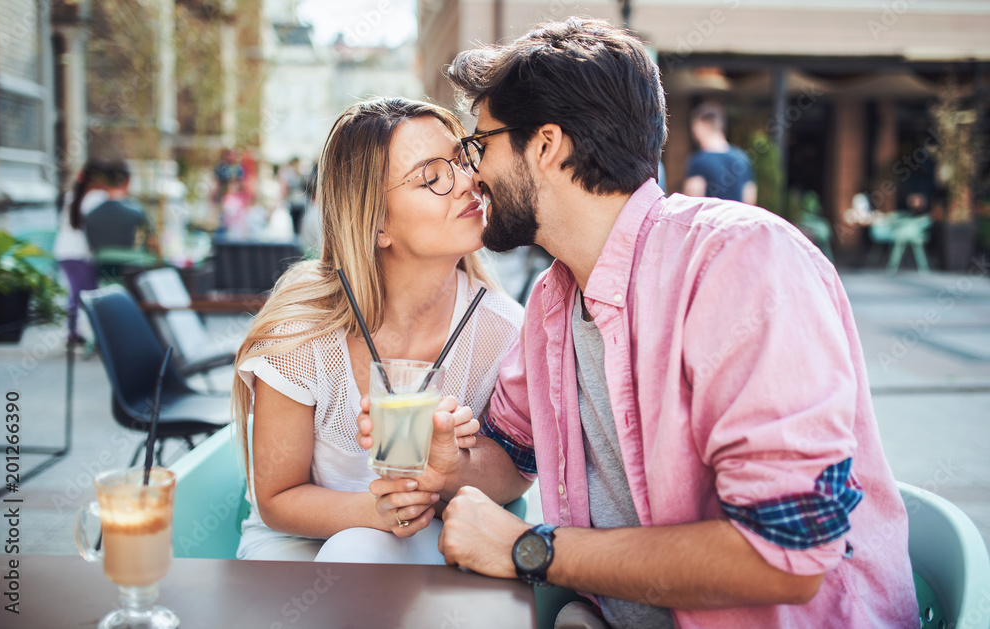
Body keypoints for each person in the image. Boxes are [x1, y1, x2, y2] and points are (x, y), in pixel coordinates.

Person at [359, 18, 916, 628]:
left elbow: (783, 557)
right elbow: (512, 453)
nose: (472, 174)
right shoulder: (552, 301)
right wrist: (450, 467)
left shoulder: (742, 262)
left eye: (480, 144)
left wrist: (531, 549)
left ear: (545, 145)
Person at [230, 98, 524, 564]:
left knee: (364, 550)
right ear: (377, 223)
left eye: (464, 159)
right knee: (359, 547)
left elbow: (516, 477)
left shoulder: (503, 330)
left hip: (425, 537)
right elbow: (276, 499)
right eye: (432, 177)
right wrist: (377, 510)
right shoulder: (299, 334)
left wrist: (451, 466)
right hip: (293, 548)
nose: (470, 181)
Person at [54, 160, 109, 341]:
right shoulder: (97, 197)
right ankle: (87, 333)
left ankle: (73, 331)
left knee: (76, 292)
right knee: (88, 294)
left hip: (64, 251)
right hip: (80, 253)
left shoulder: (74, 195)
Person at [683, 101, 756, 204]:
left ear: (703, 125)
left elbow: (692, 201)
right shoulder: (743, 158)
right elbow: (750, 199)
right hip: (735, 219)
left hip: (708, 219)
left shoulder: (698, 161)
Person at [84, 160, 152, 254]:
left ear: (106, 182)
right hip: (132, 266)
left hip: (100, 267)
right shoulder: (138, 214)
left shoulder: (90, 216)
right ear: (126, 182)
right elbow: (152, 244)